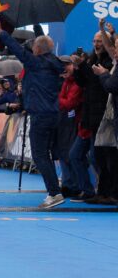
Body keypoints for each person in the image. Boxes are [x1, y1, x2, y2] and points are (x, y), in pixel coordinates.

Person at [0, 19, 64, 209]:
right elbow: (42, 42)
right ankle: (59, 186)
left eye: (33, 47)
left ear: (37, 50)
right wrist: (36, 23)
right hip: (54, 114)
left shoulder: (35, 63)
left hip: (40, 115)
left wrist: (0, 32)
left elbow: (17, 49)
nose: (31, 49)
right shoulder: (54, 61)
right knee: (51, 154)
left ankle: (54, 192)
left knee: (40, 156)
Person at [72, 26, 116, 205]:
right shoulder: (91, 58)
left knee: (105, 157)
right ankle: (102, 191)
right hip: (91, 114)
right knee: (97, 156)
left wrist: (86, 68)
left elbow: (101, 84)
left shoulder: (109, 61)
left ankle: (109, 192)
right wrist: (78, 68)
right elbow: (84, 82)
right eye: (95, 41)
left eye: (100, 41)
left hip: (105, 114)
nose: (97, 44)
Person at [56, 55, 83, 199]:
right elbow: (64, 103)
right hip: (65, 121)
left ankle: (75, 186)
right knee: (63, 154)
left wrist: (57, 98)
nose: (64, 67)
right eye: (62, 65)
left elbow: (69, 104)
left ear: (73, 65)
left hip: (75, 122)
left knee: (71, 155)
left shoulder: (76, 83)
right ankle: (67, 184)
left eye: (67, 64)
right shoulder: (66, 82)